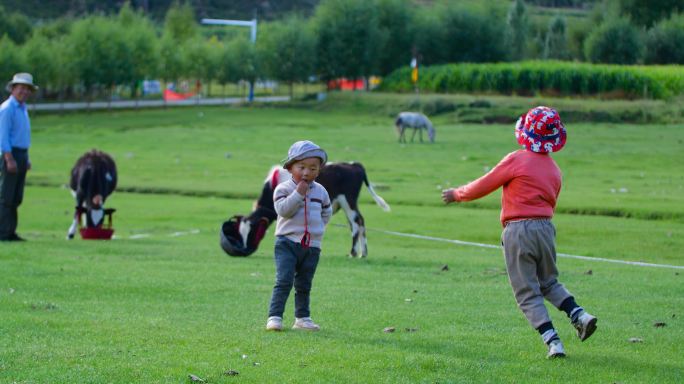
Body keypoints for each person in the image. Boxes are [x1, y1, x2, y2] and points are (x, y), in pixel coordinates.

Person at [441, 106, 597, 359]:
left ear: (525, 133)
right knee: (549, 282)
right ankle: (579, 314)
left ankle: (554, 342)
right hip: (546, 228)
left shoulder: (516, 159)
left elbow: (485, 184)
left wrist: (457, 194)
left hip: (518, 230)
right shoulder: (555, 170)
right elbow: (552, 200)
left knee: (526, 292)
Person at [266, 140, 332, 331]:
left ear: (319, 170)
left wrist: (318, 230)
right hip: (286, 243)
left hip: (312, 246)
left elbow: (326, 213)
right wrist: (298, 194)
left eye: (313, 168)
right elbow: (283, 210)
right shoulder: (284, 189)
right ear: (290, 167)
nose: (306, 172)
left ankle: (302, 319)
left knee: (304, 283)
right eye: (301, 167)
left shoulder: (321, 192)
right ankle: (275, 317)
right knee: (284, 280)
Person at [0, 73, 37, 242]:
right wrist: (8, 158)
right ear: (13, 89)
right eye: (21, 88)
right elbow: (3, 135)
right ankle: (3, 232)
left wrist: (25, 158)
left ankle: (10, 231)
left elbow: (22, 135)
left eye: (27, 89)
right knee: (6, 195)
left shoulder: (23, 109)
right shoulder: (7, 109)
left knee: (16, 196)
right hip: (11, 153)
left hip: (21, 154)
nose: (24, 92)